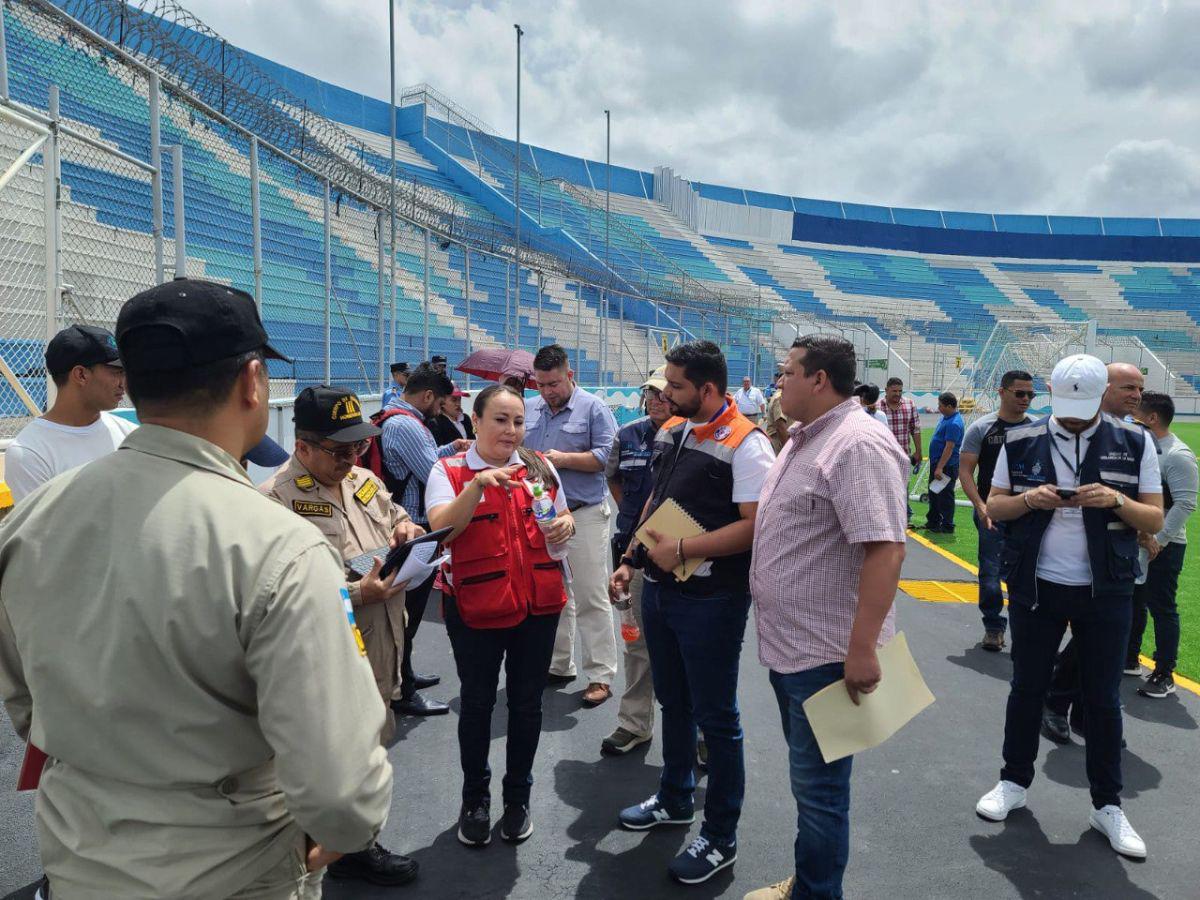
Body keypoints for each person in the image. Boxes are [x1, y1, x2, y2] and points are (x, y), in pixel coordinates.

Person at [0, 278, 392, 897]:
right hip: (233, 868)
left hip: (83, 857)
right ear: (252, 381)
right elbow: (341, 787)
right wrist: (338, 837)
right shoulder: (279, 546)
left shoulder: (29, 520)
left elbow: (25, 701)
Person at [976, 354, 1162, 860]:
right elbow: (994, 506)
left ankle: (1108, 804)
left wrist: (1115, 502)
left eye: (1084, 406)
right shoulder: (1020, 438)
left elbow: (1155, 515)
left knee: (1102, 699)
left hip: (1108, 589)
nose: (1075, 417)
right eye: (1066, 406)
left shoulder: (1135, 440)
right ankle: (1013, 781)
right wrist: (1031, 499)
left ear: (1102, 394)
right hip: (1037, 583)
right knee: (1027, 688)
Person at [744, 336, 908, 900]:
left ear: (818, 379)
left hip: (828, 657)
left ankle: (815, 892)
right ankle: (812, 882)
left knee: (819, 795)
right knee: (813, 788)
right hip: (795, 648)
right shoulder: (805, 437)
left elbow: (885, 549)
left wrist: (862, 649)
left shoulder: (857, 444)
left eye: (787, 372)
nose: (778, 382)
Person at [610, 340, 775, 885]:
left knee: (717, 718)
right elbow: (657, 499)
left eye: (675, 386)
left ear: (708, 389)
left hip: (712, 599)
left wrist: (683, 551)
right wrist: (631, 559)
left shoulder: (749, 445)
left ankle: (720, 835)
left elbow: (755, 527)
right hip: (660, 589)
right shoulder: (673, 431)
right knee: (673, 700)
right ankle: (676, 797)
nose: (665, 394)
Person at [259, 385, 422, 886]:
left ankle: (347, 840)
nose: (351, 458)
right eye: (339, 450)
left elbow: (398, 518)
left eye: (357, 446)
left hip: (383, 637)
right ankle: (331, 849)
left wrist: (408, 532)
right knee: (327, 753)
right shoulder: (272, 501)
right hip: (328, 650)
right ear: (302, 445)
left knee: (372, 739)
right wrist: (356, 596)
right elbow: (269, 600)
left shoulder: (363, 479)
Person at [426, 384, 575, 847]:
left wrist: (565, 525)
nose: (510, 431)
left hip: (537, 609)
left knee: (528, 704)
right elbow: (440, 530)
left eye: (517, 421)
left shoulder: (539, 466)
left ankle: (518, 799)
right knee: (477, 704)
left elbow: (560, 528)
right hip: (475, 609)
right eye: (500, 420)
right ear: (476, 422)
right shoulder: (448, 469)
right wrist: (476, 486)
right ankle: (475, 799)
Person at [1042, 362, 1146, 740]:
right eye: (1127, 387)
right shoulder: (1056, 434)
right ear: (1101, 390)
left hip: (1118, 560)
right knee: (1085, 641)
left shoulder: (1136, 437)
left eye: (1140, 388)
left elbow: (1151, 504)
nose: (1135, 395)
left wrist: (1143, 525)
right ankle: (1058, 700)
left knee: (1107, 640)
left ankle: (1083, 711)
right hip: (1062, 568)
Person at [524, 343, 619, 707]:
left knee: (592, 594)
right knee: (553, 594)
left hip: (583, 513)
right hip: (542, 515)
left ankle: (601, 674)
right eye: (541, 384)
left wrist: (562, 459)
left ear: (570, 375)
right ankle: (559, 664)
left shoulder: (593, 408)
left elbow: (607, 457)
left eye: (554, 383)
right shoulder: (531, 409)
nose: (548, 391)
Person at [380, 363, 468, 717]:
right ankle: (402, 691)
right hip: (412, 528)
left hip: (410, 526)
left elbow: (430, 460)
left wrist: (450, 448)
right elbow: (431, 473)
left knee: (409, 613)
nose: (442, 408)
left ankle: (406, 676)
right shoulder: (406, 425)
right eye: (440, 400)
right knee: (407, 615)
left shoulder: (399, 419)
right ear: (429, 396)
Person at [601, 367, 672, 756]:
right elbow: (616, 481)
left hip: (681, 554)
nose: (657, 400)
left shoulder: (689, 436)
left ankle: (700, 734)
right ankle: (634, 723)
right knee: (636, 642)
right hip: (633, 551)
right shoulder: (628, 435)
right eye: (652, 394)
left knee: (686, 646)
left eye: (664, 394)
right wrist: (631, 527)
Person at [4, 324, 134, 502]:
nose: (123, 383)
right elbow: (44, 528)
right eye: (116, 373)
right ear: (81, 375)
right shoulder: (30, 453)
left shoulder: (129, 433)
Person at [1126, 392, 1197, 699]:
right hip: (1139, 540)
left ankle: (1164, 673)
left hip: (1164, 546)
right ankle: (1128, 658)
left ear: (1152, 418)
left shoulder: (1177, 454)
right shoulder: (1142, 447)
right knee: (1133, 601)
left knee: (1162, 607)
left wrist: (1159, 539)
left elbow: (1185, 504)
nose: (1131, 418)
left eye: (1136, 413)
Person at [958, 370, 1034, 651]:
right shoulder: (982, 428)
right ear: (1002, 392)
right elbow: (966, 472)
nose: (1026, 399)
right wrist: (980, 506)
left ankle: (1024, 630)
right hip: (992, 514)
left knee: (1025, 575)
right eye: (1020, 393)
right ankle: (993, 625)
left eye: (1031, 394)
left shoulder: (1037, 429)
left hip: (1027, 514)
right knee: (990, 572)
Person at [881, 376, 922, 523]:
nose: (897, 394)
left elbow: (915, 429)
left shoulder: (909, 404)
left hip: (903, 454)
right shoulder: (879, 407)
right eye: (894, 391)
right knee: (885, 485)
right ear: (886, 390)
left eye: (900, 391)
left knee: (904, 485)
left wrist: (918, 451)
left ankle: (903, 512)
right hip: (883, 456)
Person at [923, 392, 964, 534]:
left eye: (940, 405)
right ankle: (933, 521)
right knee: (934, 493)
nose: (938, 408)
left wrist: (940, 468)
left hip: (946, 466)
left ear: (949, 406)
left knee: (945, 495)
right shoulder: (946, 418)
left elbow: (949, 447)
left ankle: (947, 525)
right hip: (939, 463)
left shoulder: (954, 423)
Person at [764, 374, 795, 455]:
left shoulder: (782, 395)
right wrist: (787, 450)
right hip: (779, 441)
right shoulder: (780, 397)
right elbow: (780, 426)